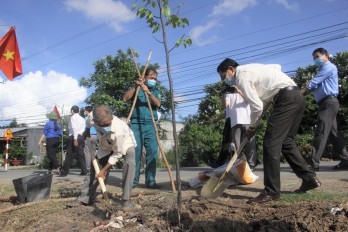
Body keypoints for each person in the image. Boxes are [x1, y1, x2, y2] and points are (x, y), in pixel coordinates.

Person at [217, 58, 321, 204]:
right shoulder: (255, 69)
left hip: (285, 99)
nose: (224, 80)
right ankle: (309, 179)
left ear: (231, 69)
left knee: (271, 143)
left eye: (223, 76)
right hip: (297, 96)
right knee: (286, 142)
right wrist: (255, 124)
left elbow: (257, 106)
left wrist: (252, 127)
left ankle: (271, 191)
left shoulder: (241, 76)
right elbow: (266, 96)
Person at [66, 105, 136, 209]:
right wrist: (87, 131)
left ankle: (126, 199)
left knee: (130, 164)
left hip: (125, 143)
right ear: (96, 121)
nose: (107, 125)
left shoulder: (118, 129)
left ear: (111, 117)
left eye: (108, 123)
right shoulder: (91, 117)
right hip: (106, 145)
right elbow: (88, 123)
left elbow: (117, 154)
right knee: (95, 169)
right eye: (103, 125)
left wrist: (103, 171)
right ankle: (84, 198)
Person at [301, 48, 348, 171]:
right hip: (327, 103)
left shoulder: (329, 67)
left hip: (328, 102)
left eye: (317, 57)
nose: (315, 60)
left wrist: (300, 93)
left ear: (325, 55)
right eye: (314, 58)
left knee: (321, 131)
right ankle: (345, 160)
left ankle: (313, 163)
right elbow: (315, 84)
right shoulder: (322, 70)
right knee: (333, 134)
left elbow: (314, 82)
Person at [123, 68, 161, 189]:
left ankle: (150, 181)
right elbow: (125, 98)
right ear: (144, 78)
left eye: (155, 78)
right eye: (151, 78)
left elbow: (158, 104)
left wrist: (148, 93)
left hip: (151, 124)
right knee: (136, 152)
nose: (153, 80)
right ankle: (133, 182)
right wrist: (136, 87)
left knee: (152, 153)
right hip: (136, 123)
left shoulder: (155, 91)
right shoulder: (137, 88)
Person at [59, 105, 87, 177]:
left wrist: (75, 139)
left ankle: (64, 172)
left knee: (69, 155)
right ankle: (84, 171)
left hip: (74, 137)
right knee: (81, 154)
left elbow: (74, 129)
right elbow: (82, 129)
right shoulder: (82, 119)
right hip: (81, 137)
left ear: (72, 111)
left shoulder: (73, 118)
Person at [83, 106, 98, 173]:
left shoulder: (86, 118)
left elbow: (84, 128)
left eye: (84, 110)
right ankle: (95, 166)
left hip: (88, 136)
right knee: (94, 151)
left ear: (87, 111)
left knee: (87, 152)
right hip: (95, 136)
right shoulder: (95, 117)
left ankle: (88, 167)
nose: (84, 112)